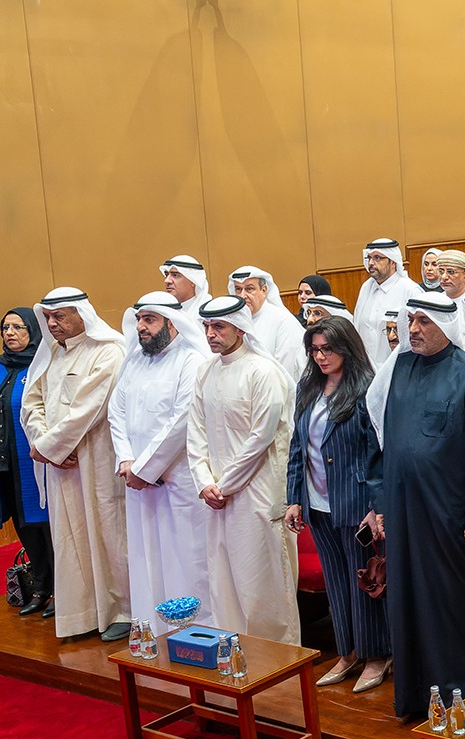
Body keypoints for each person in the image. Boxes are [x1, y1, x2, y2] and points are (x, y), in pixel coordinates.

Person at [366, 293, 465, 720]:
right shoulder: (400, 368)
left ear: (446, 323)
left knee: (454, 606)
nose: (414, 329)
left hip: (451, 519)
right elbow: (381, 441)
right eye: (411, 321)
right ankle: (418, 698)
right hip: (404, 514)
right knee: (407, 604)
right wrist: (380, 501)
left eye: (424, 321)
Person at [284, 317, 390, 692]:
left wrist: (375, 506)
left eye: (327, 348)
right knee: (336, 582)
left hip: (356, 503)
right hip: (318, 503)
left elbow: (376, 452)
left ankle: (376, 655)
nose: (321, 356)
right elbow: (298, 447)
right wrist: (294, 498)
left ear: (346, 347)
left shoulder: (365, 388)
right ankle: (346, 651)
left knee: (366, 581)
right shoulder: (308, 388)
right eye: (314, 349)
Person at [23, 288, 130, 641]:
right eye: (48, 318)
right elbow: (31, 403)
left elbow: (89, 409)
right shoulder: (51, 352)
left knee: (107, 535)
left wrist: (51, 446)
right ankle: (81, 612)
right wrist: (44, 445)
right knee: (70, 538)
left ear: (83, 314)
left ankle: (122, 611)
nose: (53, 324)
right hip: (61, 464)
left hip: (95, 461)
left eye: (61, 316)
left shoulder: (108, 351)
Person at [188, 296, 297, 643]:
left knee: (261, 579)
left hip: (257, 492)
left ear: (240, 328)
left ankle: (276, 657)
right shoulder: (205, 371)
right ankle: (234, 648)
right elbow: (195, 431)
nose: (210, 334)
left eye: (218, 327)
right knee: (222, 576)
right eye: (207, 327)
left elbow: (261, 438)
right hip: (217, 495)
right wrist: (204, 482)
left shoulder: (262, 371)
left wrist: (225, 486)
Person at [109, 294, 212, 629]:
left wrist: (145, 468)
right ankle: (152, 628)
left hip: (177, 480)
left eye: (149, 320)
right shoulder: (135, 360)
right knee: (144, 557)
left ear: (171, 322)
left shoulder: (191, 360)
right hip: (138, 482)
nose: (141, 327)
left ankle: (194, 631)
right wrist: (127, 460)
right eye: (139, 320)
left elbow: (182, 420)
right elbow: (116, 412)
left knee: (183, 558)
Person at [0, 307, 53, 616]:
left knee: (47, 528)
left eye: (18, 327)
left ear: (33, 331)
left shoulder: (43, 365)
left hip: (36, 464)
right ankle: (40, 588)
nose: (10, 333)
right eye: (5, 327)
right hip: (4, 464)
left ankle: (63, 591)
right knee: (23, 526)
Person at [227, 266, 308, 380]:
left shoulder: (283, 320)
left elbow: (286, 372)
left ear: (264, 290)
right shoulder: (232, 323)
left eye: (249, 289)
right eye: (238, 289)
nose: (242, 296)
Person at [356, 239, 420, 366]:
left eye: (377, 258)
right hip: (366, 368)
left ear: (393, 262)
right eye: (369, 258)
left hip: (396, 366)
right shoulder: (366, 287)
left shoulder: (410, 290)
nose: (371, 263)